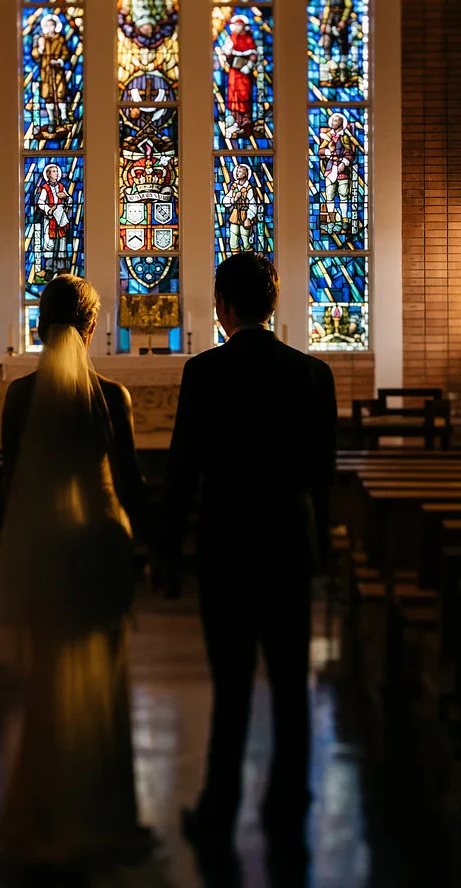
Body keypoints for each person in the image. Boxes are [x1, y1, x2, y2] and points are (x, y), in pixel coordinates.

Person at [0, 274, 159, 875]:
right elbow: (131, 482)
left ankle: (43, 812)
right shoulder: (113, 396)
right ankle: (103, 814)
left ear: (39, 326)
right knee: (105, 680)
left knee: (45, 683)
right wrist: (156, 548)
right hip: (99, 544)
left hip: (45, 544)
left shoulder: (21, 397)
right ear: (89, 328)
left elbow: (13, 480)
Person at [160, 253, 338, 853]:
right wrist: (328, 551)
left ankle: (219, 809)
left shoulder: (204, 372)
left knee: (231, 685)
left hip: (227, 545)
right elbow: (323, 474)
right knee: (291, 683)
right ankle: (290, 804)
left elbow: (183, 468)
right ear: (273, 303)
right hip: (288, 541)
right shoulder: (313, 375)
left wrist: (164, 552)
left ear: (223, 306)